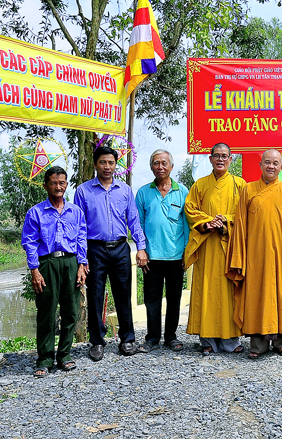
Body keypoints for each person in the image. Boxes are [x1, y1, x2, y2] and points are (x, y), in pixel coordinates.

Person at [226, 149, 282, 360]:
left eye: (275, 163)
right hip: (255, 256)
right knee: (256, 297)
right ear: (260, 164)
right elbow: (240, 225)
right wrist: (240, 258)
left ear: (281, 166)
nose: (271, 166)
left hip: (281, 256)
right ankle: (258, 345)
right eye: (267, 162)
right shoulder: (248, 189)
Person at [74, 145, 147, 361]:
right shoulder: (83, 191)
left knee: (123, 295)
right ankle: (97, 342)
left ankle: (127, 339)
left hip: (121, 248)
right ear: (95, 164)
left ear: (116, 165)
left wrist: (141, 247)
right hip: (95, 249)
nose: (107, 166)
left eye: (111, 162)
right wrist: (82, 258)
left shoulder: (125, 190)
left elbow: (133, 220)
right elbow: (79, 227)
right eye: (103, 162)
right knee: (95, 296)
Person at [21, 166, 87, 377]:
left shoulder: (75, 212)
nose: (58, 187)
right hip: (47, 263)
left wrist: (82, 265)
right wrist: (34, 270)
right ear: (45, 186)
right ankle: (45, 359)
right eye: (53, 183)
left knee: (71, 311)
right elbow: (30, 243)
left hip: (70, 262)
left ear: (66, 185)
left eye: (62, 183)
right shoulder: (35, 212)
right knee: (47, 313)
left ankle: (65, 355)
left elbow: (81, 238)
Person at [184, 143, 246, 355]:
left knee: (230, 293)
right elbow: (190, 210)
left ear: (231, 160)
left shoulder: (240, 184)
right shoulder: (200, 185)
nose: (220, 159)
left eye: (224, 156)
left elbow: (245, 214)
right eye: (217, 156)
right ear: (210, 159)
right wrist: (208, 222)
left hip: (230, 246)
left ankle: (231, 340)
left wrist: (226, 220)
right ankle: (207, 340)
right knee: (207, 291)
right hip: (207, 245)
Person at [135, 149, 190, 353]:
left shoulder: (182, 191)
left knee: (174, 299)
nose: (160, 167)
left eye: (164, 163)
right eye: (156, 163)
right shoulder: (143, 193)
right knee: (151, 299)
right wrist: (141, 249)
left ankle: (171, 337)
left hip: (176, 256)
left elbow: (188, 225)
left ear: (171, 167)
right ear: (151, 167)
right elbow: (138, 224)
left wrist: (186, 252)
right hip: (152, 256)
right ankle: (152, 338)